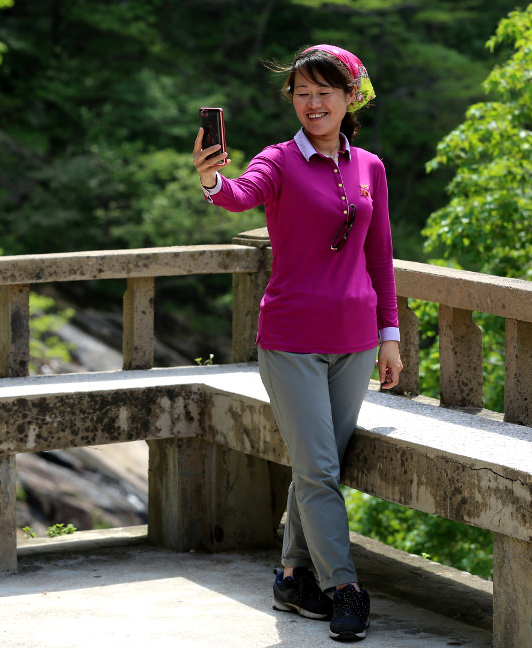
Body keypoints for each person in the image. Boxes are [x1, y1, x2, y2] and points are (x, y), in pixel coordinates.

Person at [191, 44, 403, 642]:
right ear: (292, 99)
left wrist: (389, 335)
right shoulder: (278, 161)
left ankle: (290, 575)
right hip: (291, 342)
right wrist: (212, 178)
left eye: (325, 92)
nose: (313, 103)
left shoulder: (371, 168)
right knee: (318, 470)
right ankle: (344, 587)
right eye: (302, 92)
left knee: (318, 468)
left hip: (357, 341)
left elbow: (379, 258)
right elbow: (239, 193)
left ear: (350, 98)